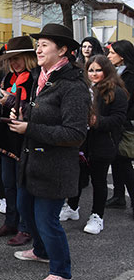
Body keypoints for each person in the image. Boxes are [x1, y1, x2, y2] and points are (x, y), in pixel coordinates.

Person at [8, 23, 90, 280]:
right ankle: (41, 251)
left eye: (44, 45)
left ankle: (61, 271)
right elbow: (42, 116)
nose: (38, 50)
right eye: (38, 44)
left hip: (54, 168)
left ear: (63, 50)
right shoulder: (43, 78)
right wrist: (22, 115)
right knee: (26, 210)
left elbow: (75, 134)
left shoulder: (73, 86)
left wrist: (28, 127)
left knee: (47, 222)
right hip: (31, 163)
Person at [59, 55, 128, 234]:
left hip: (103, 144)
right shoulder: (82, 88)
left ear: (107, 70)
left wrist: (96, 121)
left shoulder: (116, 91)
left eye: (98, 70)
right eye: (90, 70)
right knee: (78, 177)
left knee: (99, 181)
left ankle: (97, 216)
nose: (94, 74)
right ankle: (72, 208)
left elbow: (119, 118)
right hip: (81, 142)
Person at [0, 36, 37, 246]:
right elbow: (0, 108)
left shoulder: (36, 78)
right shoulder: (8, 78)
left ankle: (26, 228)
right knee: (8, 183)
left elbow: (34, 109)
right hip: (7, 134)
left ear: (28, 57)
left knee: (22, 185)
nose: (14, 63)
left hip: (25, 137)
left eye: (17, 58)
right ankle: (11, 221)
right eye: (11, 59)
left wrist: (9, 100)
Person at [105, 40, 134, 213]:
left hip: (125, 123)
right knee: (115, 159)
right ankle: (118, 196)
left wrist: (123, 118)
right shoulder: (116, 72)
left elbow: (127, 101)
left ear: (121, 56)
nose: (108, 56)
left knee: (123, 161)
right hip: (116, 122)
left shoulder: (130, 74)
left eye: (112, 53)